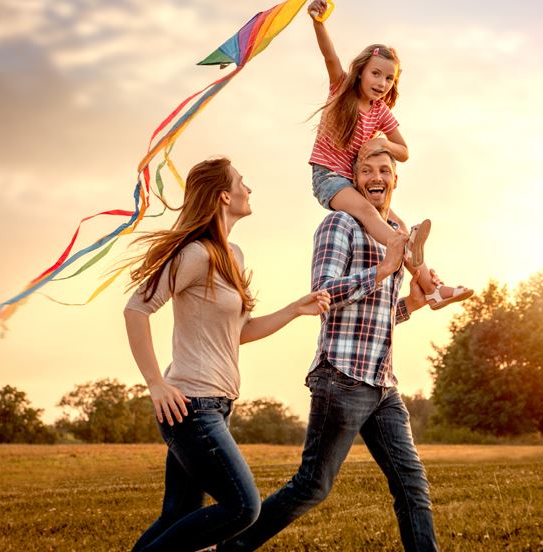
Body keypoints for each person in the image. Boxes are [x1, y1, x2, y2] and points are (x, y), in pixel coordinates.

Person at [217, 148, 439, 551]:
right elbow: (324, 295)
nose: (376, 175)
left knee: (412, 485)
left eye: (384, 170)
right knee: (313, 486)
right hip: (341, 379)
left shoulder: (393, 232)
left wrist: (410, 305)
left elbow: (376, 317)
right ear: (352, 180)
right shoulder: (339, 224)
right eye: (366, 169)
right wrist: (384, 269)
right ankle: (230, 547)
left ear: (395, 179)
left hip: (382, 383)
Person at [123, 157, 330, 552]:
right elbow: (137, 309)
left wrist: (294, 309)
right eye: (241, 182)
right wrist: (156, 383)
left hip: (216, 405)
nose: (248, 189)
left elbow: (239, 333)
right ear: (223, 195)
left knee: (177, 516)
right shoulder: (195, 254)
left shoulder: (232, 255)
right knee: (243, 508)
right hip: (191, 407)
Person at [306, 0, 472, 310]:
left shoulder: (381, 112)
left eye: (389, 79)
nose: (381, 83)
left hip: (353, 182)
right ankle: (402, 245)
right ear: (360, 73)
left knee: (398, 223)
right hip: (329, 178)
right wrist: (318, 22)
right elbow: (330, 55)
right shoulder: (342, 89)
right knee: (372, 217)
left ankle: (432, 290)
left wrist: (383, 144)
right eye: (376, 74)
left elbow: (404, 151)